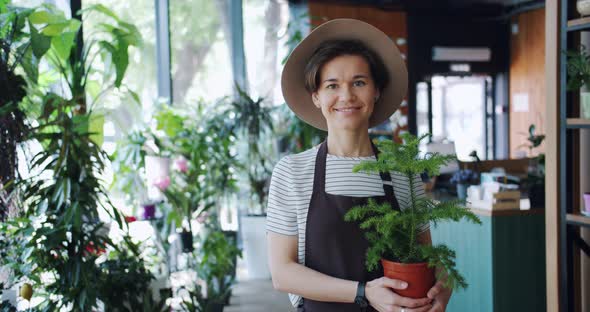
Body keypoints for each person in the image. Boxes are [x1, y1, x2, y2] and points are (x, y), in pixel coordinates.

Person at [266, 19, 452, 312]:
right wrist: (363, 292)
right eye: (332, 85)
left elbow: (426, 257)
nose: (347, 96)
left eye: (359, 82)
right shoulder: (292, 172)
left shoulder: (403, 172)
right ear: (316, 96)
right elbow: (282, 273)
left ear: (376, 91)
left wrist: (442, 288)